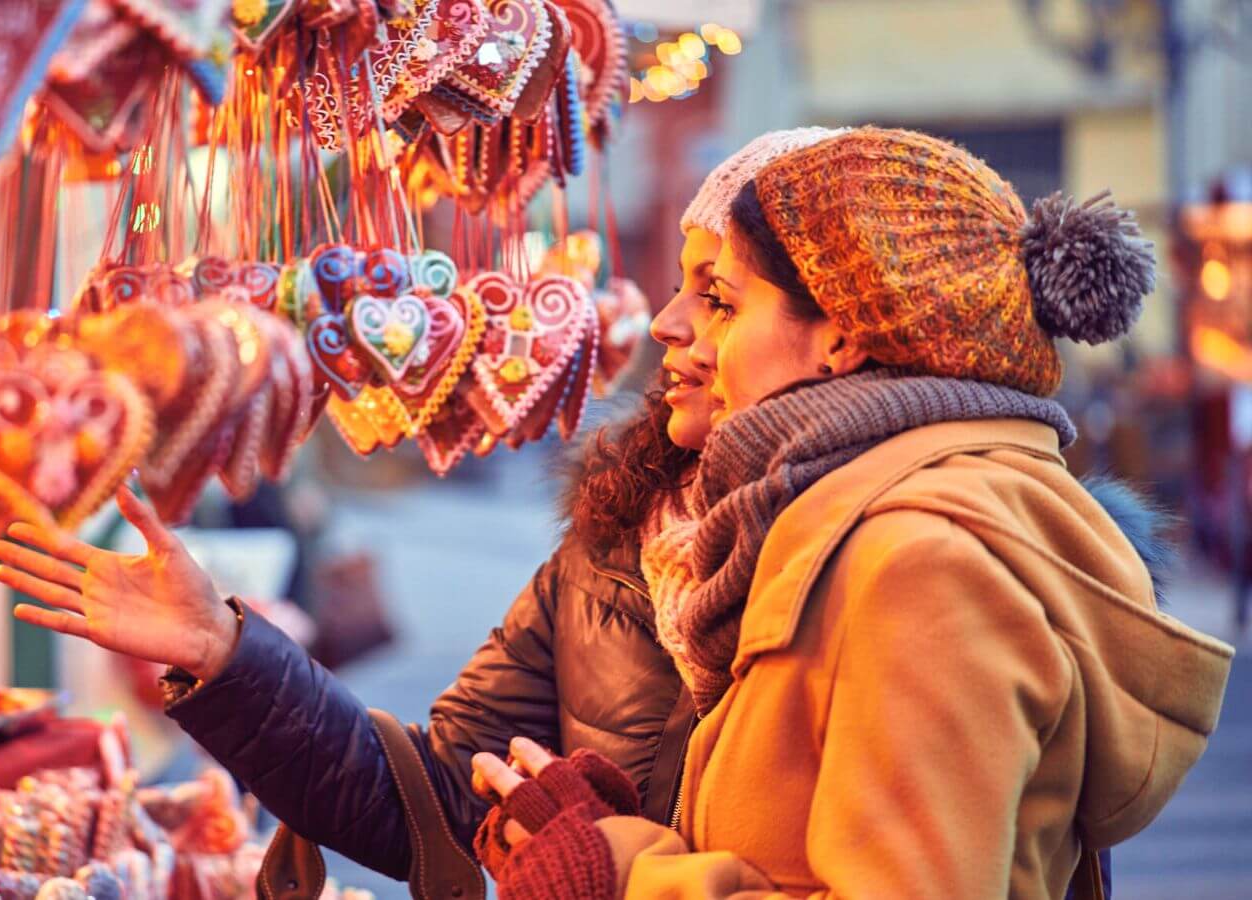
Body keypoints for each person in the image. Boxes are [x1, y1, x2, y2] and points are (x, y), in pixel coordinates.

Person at [468, 127, 1234, 899]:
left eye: (723, 303)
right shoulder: (847, 526)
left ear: (841, 337)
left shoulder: (922, 563)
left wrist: (616, 874)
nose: (687, 331)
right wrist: (611, 837)